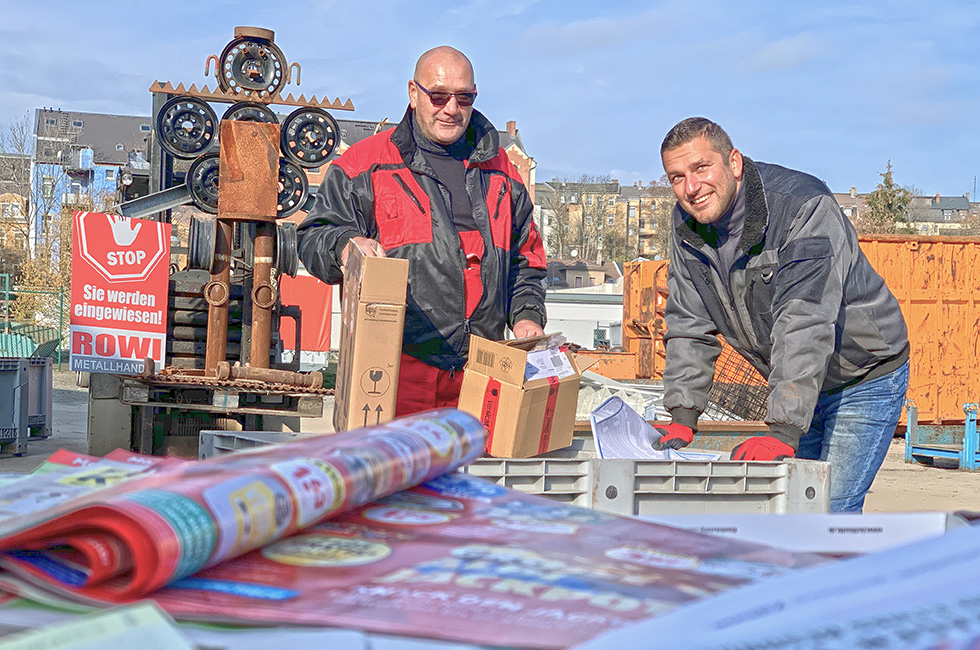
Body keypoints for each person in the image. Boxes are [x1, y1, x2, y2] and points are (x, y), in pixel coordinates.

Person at [652, 117, 909, 512]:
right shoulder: (687, 224)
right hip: (802, 382)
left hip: (862, 373)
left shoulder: (802, 207)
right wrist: (683, 413)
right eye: (676, 177)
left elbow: (803, 321)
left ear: (734, 163)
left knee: (828, 509)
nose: (691, 188)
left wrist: (784, 428)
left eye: (702, 167)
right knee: (793, 509)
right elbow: (688, 319)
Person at [297, 46, 547, 418]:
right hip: (396, 373)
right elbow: (314, 235)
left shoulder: (504, 174)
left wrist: (527, 316)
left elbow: (525, 260)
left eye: (464, 97)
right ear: (413, 94)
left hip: (482, 376)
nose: (452, 108)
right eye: (439, 95)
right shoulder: (365, 165)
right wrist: (345, 247)